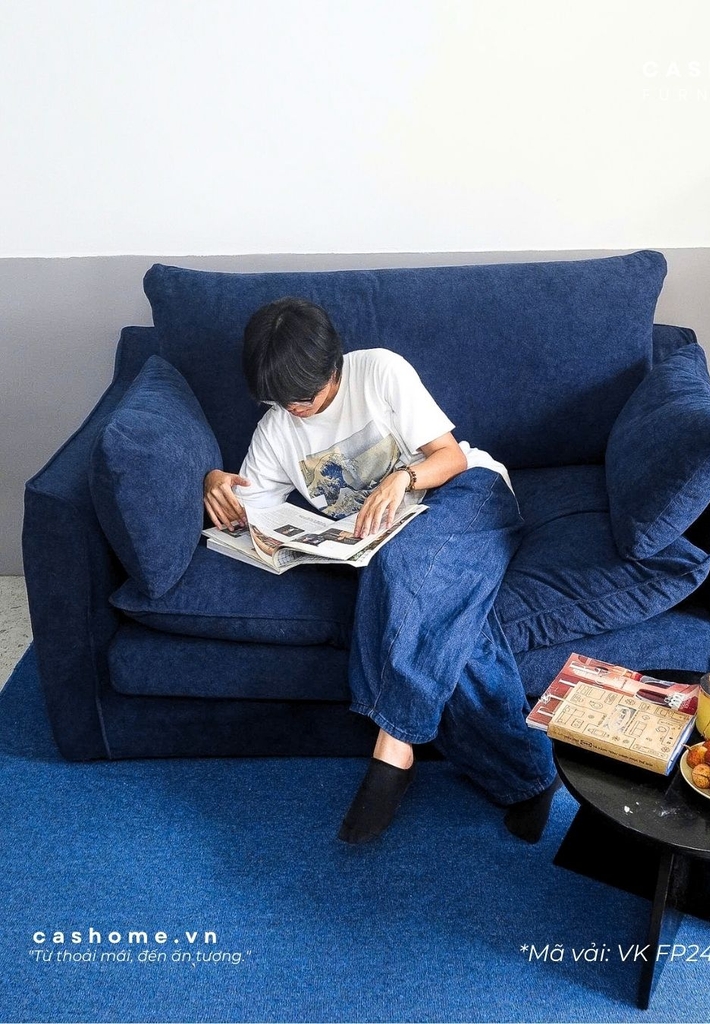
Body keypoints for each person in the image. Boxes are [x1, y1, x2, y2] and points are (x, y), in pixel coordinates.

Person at [203, 297, 559, 844]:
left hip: (465, 493)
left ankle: (394, 748)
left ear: (333, 367)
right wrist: (214, 479)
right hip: (392, 542)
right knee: (454, 625)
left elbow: (450, 457)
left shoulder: (379, 371)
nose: (294, 408)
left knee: (399, 566)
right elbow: (249, 508)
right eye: (279, 399)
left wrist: (403, 478)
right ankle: (531, 778)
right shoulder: (277, 428)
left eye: (305, 397)